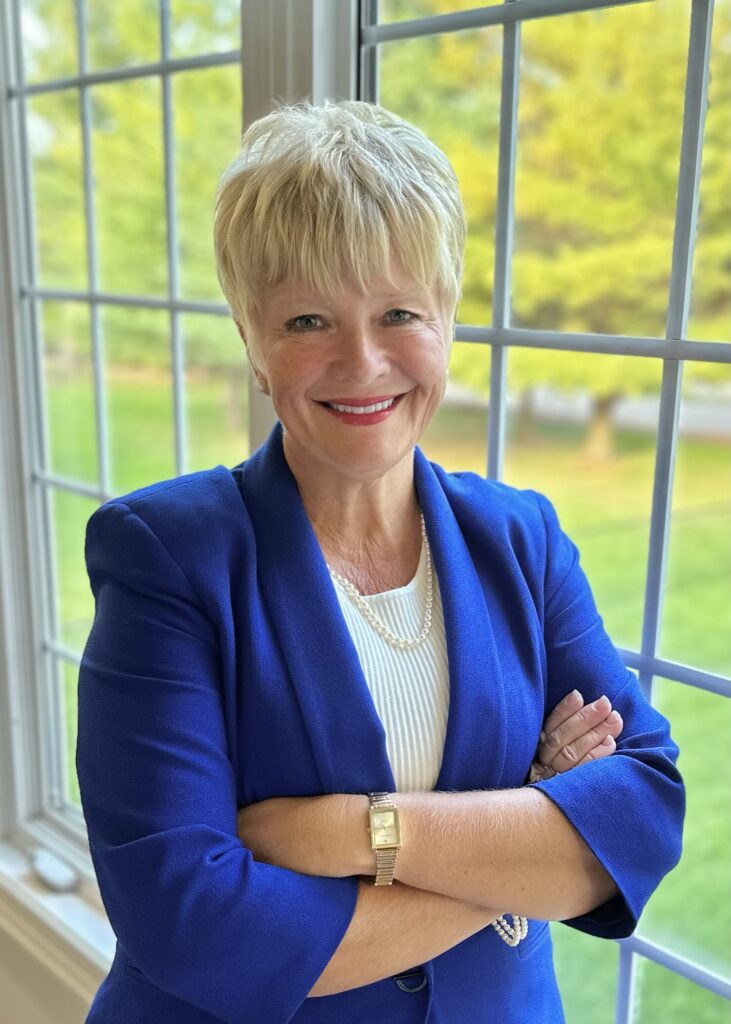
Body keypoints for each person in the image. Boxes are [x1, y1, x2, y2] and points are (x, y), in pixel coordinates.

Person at [76, 99, 685, 1024]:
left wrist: (360, 833)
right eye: (307, 320)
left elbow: (641, 812)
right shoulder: (166, 557)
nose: (362, 362)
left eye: (398, 311)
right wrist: (523, 844)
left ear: (446, 319)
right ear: (249, 337)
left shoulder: (521, 540)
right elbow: (197, 924)